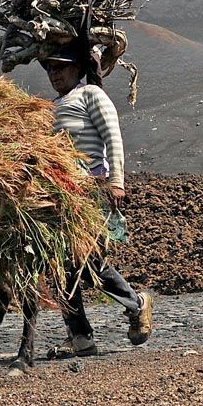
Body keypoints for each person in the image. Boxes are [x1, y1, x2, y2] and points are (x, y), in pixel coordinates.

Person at [42, 49, 154, 356]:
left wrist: (116, 181)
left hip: (91, 191)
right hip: (62, 196)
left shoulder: (90, 95)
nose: (55, 74)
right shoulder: (52, 107)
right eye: (50, 69)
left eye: (61, 68)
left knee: (87, 261)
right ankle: (80, 337)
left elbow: (112, 137)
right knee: (60, 264)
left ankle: (136, 302)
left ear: (77, 69)